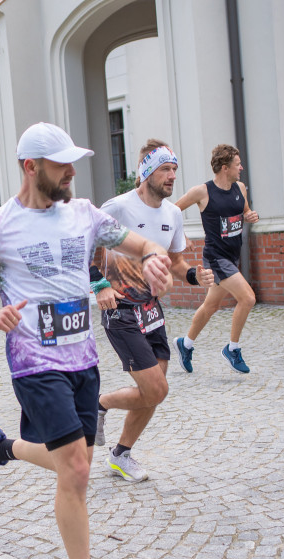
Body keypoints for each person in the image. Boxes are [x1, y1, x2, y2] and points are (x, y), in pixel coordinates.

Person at [0, 122, 173, 559]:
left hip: (82, 360)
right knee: (79, 470)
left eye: (72, 162)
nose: (71, 171)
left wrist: (154, 261)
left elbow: (140, 244)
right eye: (61, 163)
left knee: (75, 461)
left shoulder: (84, 215)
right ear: (30, 166)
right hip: (34, 363)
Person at [92, 139, 209, 483]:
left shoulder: (172, 213)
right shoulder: (117, 207)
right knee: (156, 390)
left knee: (152, 392)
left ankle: (120, 455)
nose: (173, 176)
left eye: (175, 169)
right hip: (119, 309)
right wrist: (99, 285)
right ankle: (98, 403)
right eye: (165, 169)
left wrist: (191, 275)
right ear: (146, 171)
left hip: (151, 310)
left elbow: (173, 260)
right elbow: (84, 246)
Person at [173, 143, 260, 374]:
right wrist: (181, 236)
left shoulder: (240, 188)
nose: (241, 168)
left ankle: (186, 343)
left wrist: (250, 216)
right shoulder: (202, 191)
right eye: (237, 164)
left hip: (232, 256)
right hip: (215, 257)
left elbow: (245, 211)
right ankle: (232, 348)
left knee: (210, 306)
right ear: (224, 168)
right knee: (248, 298)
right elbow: (171, 212)